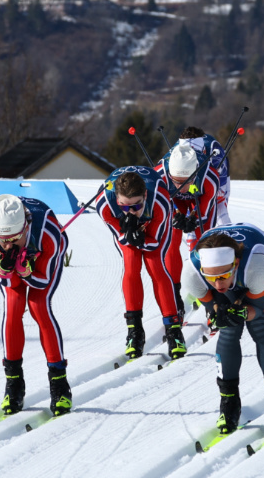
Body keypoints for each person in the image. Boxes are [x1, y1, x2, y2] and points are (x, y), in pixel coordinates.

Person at [182, 223, 264, 437]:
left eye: (222, 276)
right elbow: (214, 303)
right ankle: (229, 402)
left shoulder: (255, 267)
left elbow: (256, 311)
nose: (217, 284)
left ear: (236, 263)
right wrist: (217, 311)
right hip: (233, 268)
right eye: (211, 277)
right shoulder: (192, 276)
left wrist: (241, 312)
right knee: (228, 329)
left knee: (259, 326)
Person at [0, 194, 73, 417]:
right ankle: (13, 384)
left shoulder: (48, 233)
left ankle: (59, 385)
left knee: (39, 307)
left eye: (14, 239)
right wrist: (6, 269)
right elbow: (8, 281)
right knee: (13, 306)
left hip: (44, 254)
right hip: (22, 262)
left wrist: (27, 271)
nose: (8, 245)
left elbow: (43, 280)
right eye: (3, 240)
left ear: (26, 228)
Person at [95, 167, 185, 360]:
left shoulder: (160, 201)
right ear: (117, 199)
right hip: (127, 226)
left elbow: (155, 241)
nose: (131, 211)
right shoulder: (104, 205)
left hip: (153, 223)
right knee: (131, 264)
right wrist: (128, 233)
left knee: (155, 266)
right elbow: (120, 236)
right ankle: (135, 332)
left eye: (136, 206)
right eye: (124, 207)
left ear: (145, 195)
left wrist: (141, 238)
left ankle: (174, 332)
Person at [158, 143, 221, 320]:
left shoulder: (209, 177)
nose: (180, 187)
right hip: (174, 202)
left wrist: (194, 217)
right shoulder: (160, 176)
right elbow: (161, 205)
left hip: (199, 198)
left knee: (206, 243)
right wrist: (174, 216)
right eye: (175, 182)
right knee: (171, 242)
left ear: (195, 174)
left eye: (185, 182)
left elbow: (205, 209)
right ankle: (175, 296)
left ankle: (211, 296)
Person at [170, 126, 231, 226]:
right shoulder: (176, 155)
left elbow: (219, 193)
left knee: (221, 214)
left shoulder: (216, 156)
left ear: (202, 151)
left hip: (214, 180)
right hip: (192, 182)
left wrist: (197, 218)